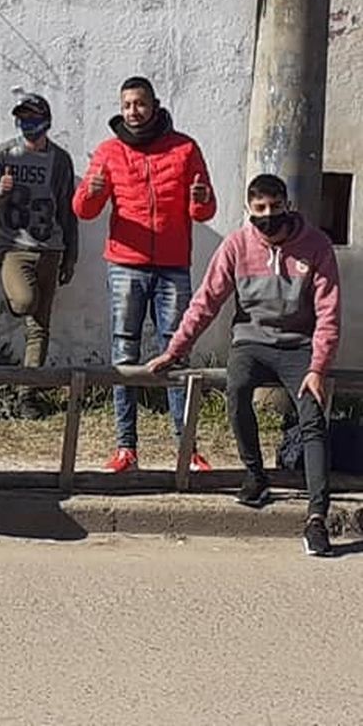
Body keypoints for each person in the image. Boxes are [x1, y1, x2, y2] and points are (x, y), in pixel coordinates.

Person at [148, 174, 341, 557]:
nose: (269, 216)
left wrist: (318, 367)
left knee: (312, 416)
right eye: (260, 210)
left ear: (288, 206)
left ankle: (317, 516)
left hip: (298, 345)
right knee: (236, 390)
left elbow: (328, 312)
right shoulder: (237, 245)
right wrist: (176, 349)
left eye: (275, 207)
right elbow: (206, 301)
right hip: (251, 341)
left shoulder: (316, 246)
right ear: (250, 211)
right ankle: (256, 475)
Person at [72, 76, 216, 472]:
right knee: (124, 354)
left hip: (172, 267)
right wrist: (92, 190)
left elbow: (204, 211)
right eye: (126, 105)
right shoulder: (109, 151)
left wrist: (201, 201)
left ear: (154, 105)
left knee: (176, 352)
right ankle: (125, 448)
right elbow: (83, 210)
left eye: (139, 104)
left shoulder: (185, 148)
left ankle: (186, 446)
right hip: (125, 265)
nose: (133, 111)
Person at [0, 93, 78, 367]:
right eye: (22, 118)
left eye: (33, 117)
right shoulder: (6, 154)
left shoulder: (60, 160)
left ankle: (28, 391)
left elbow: (68, 211)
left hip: (50, 247)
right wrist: (0, 191)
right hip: (15, 247)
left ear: (46, 121)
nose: (27, 123)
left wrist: (70, 255)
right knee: (24, 303)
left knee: (39, 327)